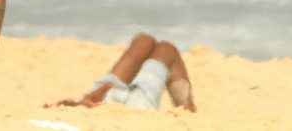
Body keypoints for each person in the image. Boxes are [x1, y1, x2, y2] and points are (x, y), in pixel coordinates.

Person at [49, 33, 197, 112]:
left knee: (144, 41)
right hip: (131, 108)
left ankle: (187, 110)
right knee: (167, 49)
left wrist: (79, 103)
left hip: (102, 99)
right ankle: (187, 112)